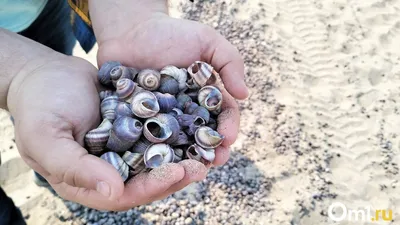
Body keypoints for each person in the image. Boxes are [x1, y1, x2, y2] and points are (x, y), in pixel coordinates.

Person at [0, 0, 248, 223]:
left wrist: (134, 16)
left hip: (44, 8)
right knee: (35, 108)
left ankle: (46, 172)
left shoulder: (150, 106)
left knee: (42, 103)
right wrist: (17, 78)